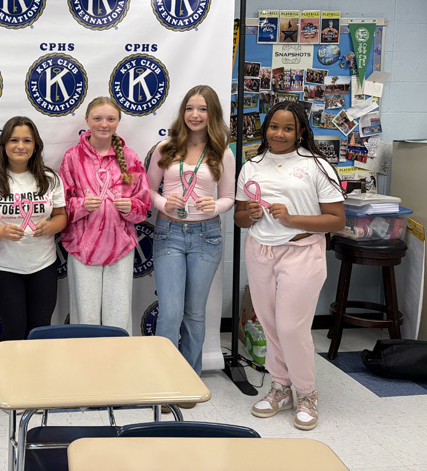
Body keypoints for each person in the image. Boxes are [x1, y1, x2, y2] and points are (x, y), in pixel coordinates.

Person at [235, 101, 345, 431]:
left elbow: (337, 220)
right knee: (270, 325)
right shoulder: (251, 166)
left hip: (301, 252)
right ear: (265, 129)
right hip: (260, 251)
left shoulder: (316, 166)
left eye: (288, 128)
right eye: (274, 127)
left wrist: (292, 218)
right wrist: (250, 214)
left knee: (291, 327)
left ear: (300, 133)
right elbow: (240, 218)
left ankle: (307, 393)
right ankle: (281, 388)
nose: (279, 134)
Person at [146, 85, 235, 375]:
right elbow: (145, 191)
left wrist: (216, 206)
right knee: (170, 312)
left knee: (195, 313)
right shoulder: (166, 148)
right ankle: (164, 377)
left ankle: (189, 376)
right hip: (169, 233)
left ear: (213, 114)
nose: (195, 115)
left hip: (206, 237)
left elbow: (229, 197)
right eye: (189, 108)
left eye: (202, 109)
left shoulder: (223, 152)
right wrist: (162, 202)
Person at [59, 97, 150, 334]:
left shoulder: (129, 158)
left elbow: (144, 206)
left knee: (118, 320)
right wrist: (80, 205)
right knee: (85, 318)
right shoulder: (72, 157)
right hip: (82, 248)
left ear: (118, 121)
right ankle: (87, 368)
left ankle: (118, 368)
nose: (104, 124)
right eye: (97, 118)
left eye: (111, 118)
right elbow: (60, 207)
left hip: (120, 248)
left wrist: (131, 207)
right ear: (87, 120)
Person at [0, 116, 67, 341]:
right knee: (13, 330)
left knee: (40, 330)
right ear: (4, 144)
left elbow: (61, 217)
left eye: (27, 140)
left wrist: (50, 227)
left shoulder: (50, 178)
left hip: (42, 265)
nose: (20, 146)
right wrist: (1, 232)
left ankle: (37, 377)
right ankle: (11, 377)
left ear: (35, 146)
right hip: (4, 268)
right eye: (14, 140)